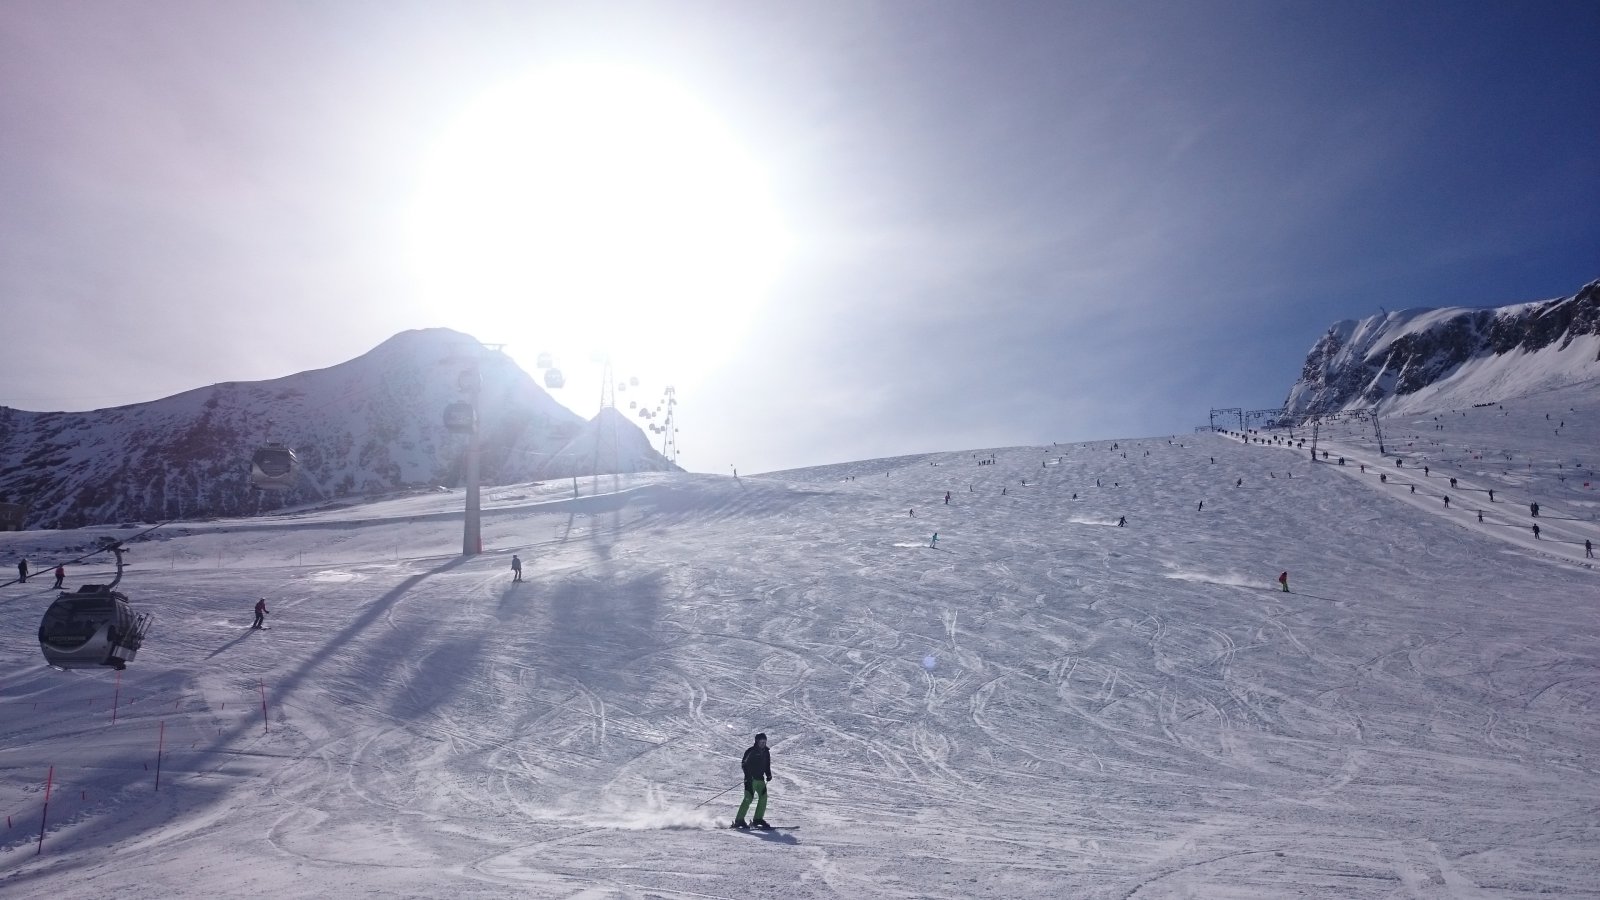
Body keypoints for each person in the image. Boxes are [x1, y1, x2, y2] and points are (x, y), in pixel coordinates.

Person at [733, 733, 773, 829]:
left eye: (764, 742)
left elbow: (767, 764)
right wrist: (747, 775)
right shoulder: (751, 751)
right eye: (761, 742)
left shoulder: (766, 752)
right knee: (748, 798)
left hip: (760, 779)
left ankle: (758, 819)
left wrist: (769, 774)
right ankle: (739, 820)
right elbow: (744, 764)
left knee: (763, 797)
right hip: (751, 779)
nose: (763, 744)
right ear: (757, 742)